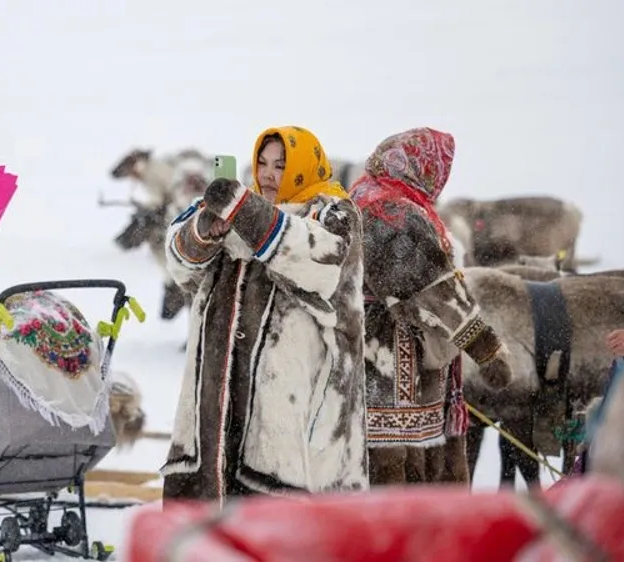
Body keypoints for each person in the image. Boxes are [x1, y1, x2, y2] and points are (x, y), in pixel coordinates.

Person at [160, 125, 369, 504]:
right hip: (219, 394)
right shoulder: (239, 213)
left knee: (281, 518)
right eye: (262, 163)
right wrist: (208, 226)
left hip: (296, 401)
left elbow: (312, 262)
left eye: (281, 165)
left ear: (306, 165)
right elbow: (179, 264)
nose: (269, 174)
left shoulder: (334, 215)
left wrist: (247, 212)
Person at [348, 127, 513, 487]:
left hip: (361, 357)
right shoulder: (390, 212)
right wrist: (487, 350)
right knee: (399, 478)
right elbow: (435, 291)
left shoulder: (360, 196)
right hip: (389, 364)